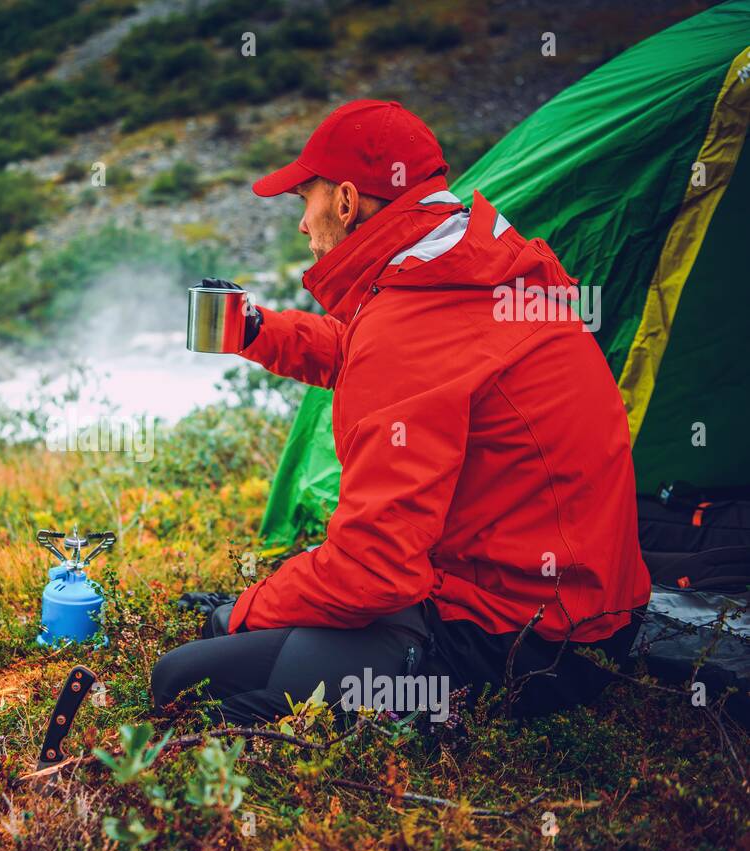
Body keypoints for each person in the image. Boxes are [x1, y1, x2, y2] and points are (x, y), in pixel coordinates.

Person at [152, 100, 650, 724]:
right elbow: (382, 354)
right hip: (588, 614)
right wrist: (256, 330)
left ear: (345, 201)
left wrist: (242, 611)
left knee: (183, 684)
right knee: (232, 650)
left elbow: (373, 571)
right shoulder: (466, 268)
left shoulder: (411, 320)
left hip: (525, 644)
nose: (302, 226)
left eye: (304, 199)